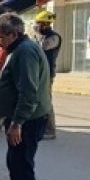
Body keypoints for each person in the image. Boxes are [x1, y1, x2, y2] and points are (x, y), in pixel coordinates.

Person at [0, 12, 51, 180]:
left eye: (0, 38)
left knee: (22, 167)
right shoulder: (19, 48)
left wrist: (17, 123)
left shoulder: (25, 52)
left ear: (14, 33)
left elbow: (29, 91)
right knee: (15, 165)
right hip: (21, 118)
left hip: (28, 119)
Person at [33, 10, 61, 140]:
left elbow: (42, 47)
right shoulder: (41, 36)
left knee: (46, 101)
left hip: (47, 74)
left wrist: (37, 35)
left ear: (45, 24)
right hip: (38, 73)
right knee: (38, 101)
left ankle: (50, 130)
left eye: (38, 24)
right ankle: (40, 127)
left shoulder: (54, 37)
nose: (37, 26)